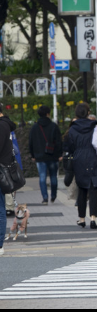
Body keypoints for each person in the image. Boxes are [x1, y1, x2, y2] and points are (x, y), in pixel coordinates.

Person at [64, 103, 97, 229]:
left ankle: (82, 219)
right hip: (94, 158)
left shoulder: (72, 128)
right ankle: (93, 219)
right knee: (94, 189)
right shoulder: (95, 126)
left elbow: (69, 147)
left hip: (79, 159)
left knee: (81, 189)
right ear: (88, 112)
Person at [29, 106, 63, 205]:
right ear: (48, 114)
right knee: (53, 176)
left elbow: (31, 142)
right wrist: (60, 154)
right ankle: (53, 195)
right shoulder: (53, 126)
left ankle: (45, 198)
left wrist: (33, 155)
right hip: (53, 156)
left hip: (39, 156)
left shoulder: (35, 127)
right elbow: (59, 141)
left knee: (42, 177)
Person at [0, 104, 17, 256]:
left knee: (0, 209)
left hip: (1, 172)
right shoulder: (6, 125)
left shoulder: (2, 126)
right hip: (3, 171)